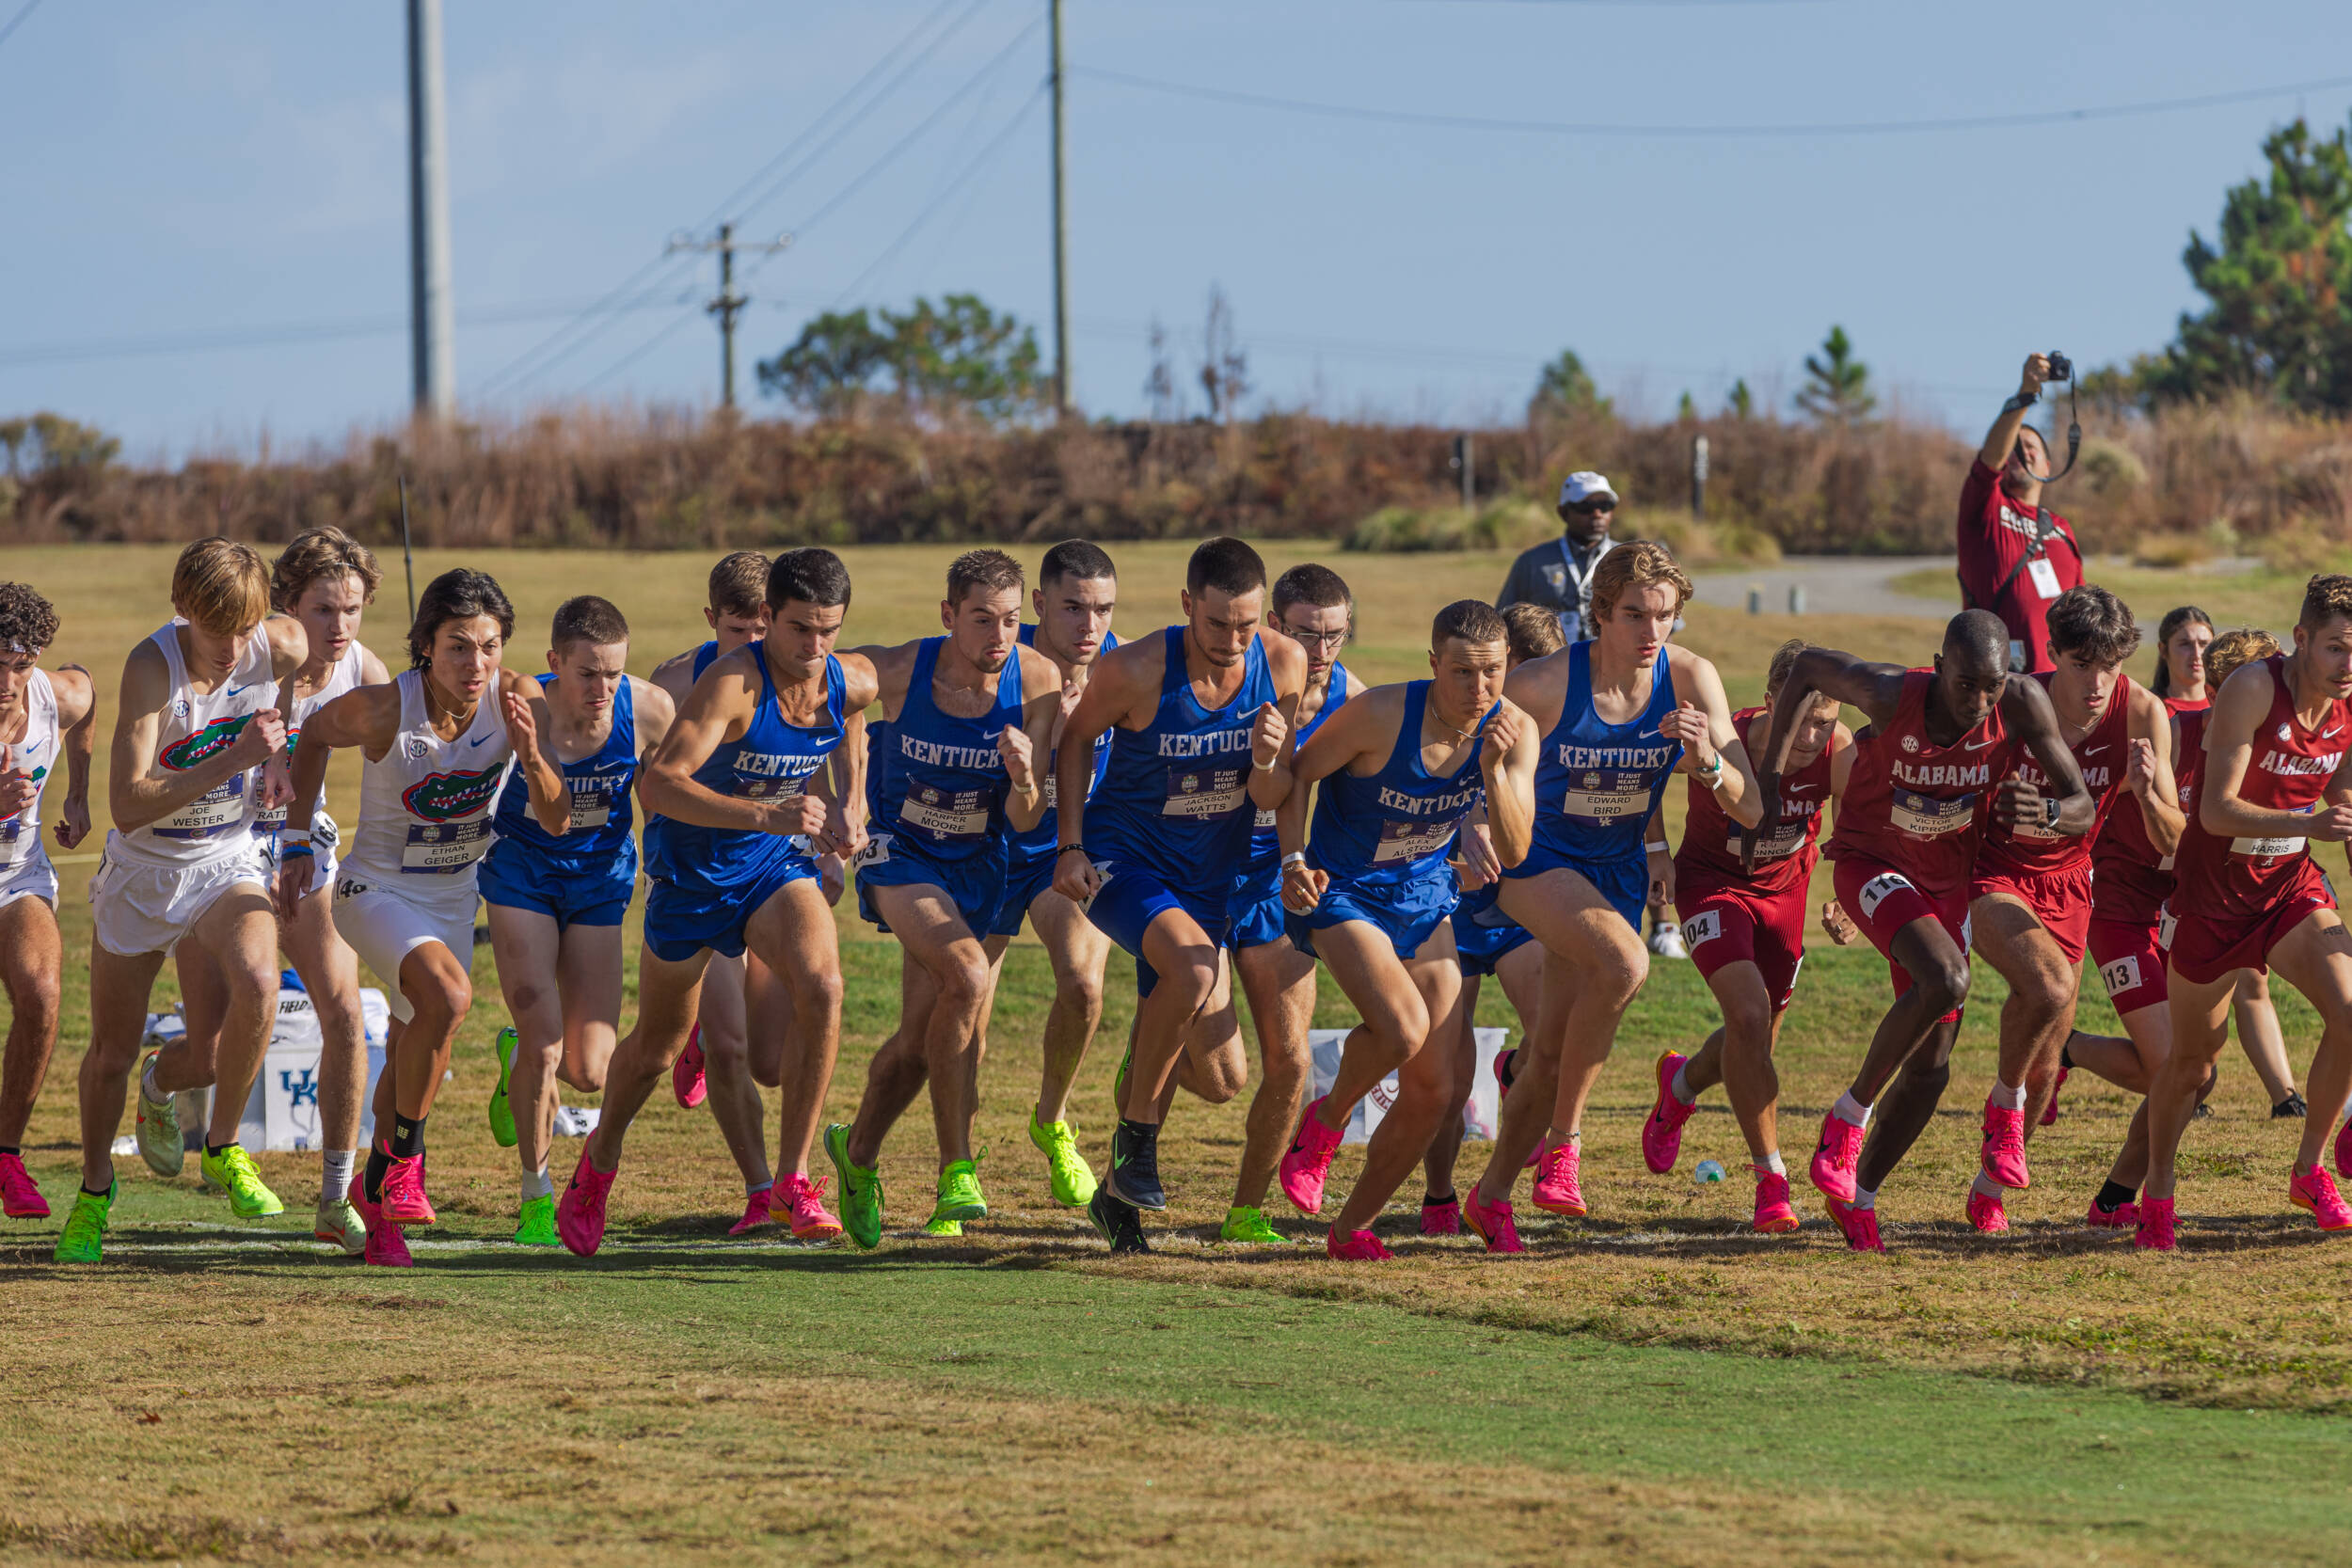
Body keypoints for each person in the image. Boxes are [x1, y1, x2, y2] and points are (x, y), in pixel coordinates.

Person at [555, 548, 861, 1258]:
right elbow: (655, 788)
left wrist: (853, 806)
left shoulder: (841, 674)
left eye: (828, 632)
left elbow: (854, 715)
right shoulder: (693, 685)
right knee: (658, 1049)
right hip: (691, 879)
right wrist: (767, 815)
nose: (810, 649)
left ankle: (790, 1178)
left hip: (772, 867)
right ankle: (599, 1158)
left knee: (822, 987)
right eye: (793, 631)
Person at [1756, 609, 2090, 1253]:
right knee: (1949, 978)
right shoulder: (1890, 691)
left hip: (1945, 883)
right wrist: (1771, 778)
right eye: (1967, 684)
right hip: (1872, 863)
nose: (1980, 700)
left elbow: (2082, 806)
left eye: (1992, 686)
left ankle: (1859, 1194)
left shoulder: (2019, 701)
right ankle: (1845, 1122)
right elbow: (1806, 667)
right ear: (1939, 669)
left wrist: (2048, 809)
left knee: (1932, 1069)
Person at [1457, 542, 1759, 1252]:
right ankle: (1566, 1144)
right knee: (1626, 964)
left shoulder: (1690, 679)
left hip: (1614, 870)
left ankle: (1491, 1195)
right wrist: (1468, 823)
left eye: (1664, 616)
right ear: (1599, 614)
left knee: (1553, 1052)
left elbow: (1750, 806)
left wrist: (1709, 763)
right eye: (1633, 615)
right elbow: (1466, 743)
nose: (1651, 631)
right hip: (1536, 856)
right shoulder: (1547, 682)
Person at [278, 568, 569, 1267]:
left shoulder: (518, 699)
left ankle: (374, 1212)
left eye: (491, 646)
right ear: (426, 648)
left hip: (450, 900)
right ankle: (409, 1158)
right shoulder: (384, 707)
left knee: (414, 1050)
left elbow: (557, 819)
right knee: (449, 997)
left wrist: (529, 752)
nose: (478, 665)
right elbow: (312, 735)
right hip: (372, 891)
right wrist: (293, 839)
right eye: (459, 647)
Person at [1052, 537, 1308, 1255]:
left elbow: (1272, 790)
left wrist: (1264, 761)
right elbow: (1073, 742)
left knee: (1225, 1078)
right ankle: (1137, 1143)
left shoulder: (1282, 664)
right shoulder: (1135, 669)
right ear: (1187, 604)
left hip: (1211, 877)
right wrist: (1069, 846)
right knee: (1193, 970)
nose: (1234, 640)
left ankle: (1113, 1200)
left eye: (1248, 624)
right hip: (1122, 861)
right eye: (1219, 623)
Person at [56, 539, 304, 1264]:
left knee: (261, 983)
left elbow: (285, 694)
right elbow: (127, 805)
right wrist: (239, 757)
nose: (233, 647)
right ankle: (96, 1189)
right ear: (183, 609)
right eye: (216, 627)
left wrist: (280, 758)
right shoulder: (150, 666)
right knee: (110, 1051)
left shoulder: (276, 643)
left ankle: (224, 1146)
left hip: (224, 859)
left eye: (245, 627)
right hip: (144, 872)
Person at [1274, 600, 1536, 1259]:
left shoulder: (1513, 729)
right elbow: (1299, 774)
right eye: (1464, 673)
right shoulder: (1381, 713)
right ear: (1433, 664)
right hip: (1343, 892)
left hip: (1424, 897)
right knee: (1401, 1026)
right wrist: (1293, 858)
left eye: (1494, 672)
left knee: (1435, 1089)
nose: (1480, 690)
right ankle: (1324, 1124)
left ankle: (1349, 1229)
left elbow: (1517, 846)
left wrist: (1493, 772)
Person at [827, 549, 1061, 1245]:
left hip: (981, 860)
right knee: (965, 974)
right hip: (899, 852)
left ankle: (857, 1153)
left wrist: (1024, 779)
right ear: (947, 614)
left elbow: (1026, 816)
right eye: (982, 618)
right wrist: (850, 795)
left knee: (922, 1039)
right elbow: (829, 689)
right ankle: (957, 1168)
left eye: (1013, 620)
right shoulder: (900, 669)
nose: (999, 636)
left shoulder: (1038, 680)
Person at [2137, 574, 2352, 1250]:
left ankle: (2308, 1168)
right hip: (2214, 894)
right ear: (2301, 640)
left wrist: (2319, 828)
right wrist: (2308, 821)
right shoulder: (2254, 688)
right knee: (2193, 1064)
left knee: (2350, 1013)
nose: (2350, 665)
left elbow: (2340, 815)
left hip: (2288, 887)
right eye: (2337, 649)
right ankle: (2159, 1191)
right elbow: (2214, 810)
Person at [1961, 586, 2174, 1234]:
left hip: (2070, 884)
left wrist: (2145, 794)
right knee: (2047, 986)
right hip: (1991, 873)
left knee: (2048, 1058)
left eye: (2110, 664)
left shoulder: (2142, 712)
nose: (2098, 681)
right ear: (2051, 653)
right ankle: (2002, 1110)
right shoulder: (2011, 701)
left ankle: (1987, 1187)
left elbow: (2173, 842)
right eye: (2082, 664)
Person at [479, 596, 675, 1246]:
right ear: (554, 662)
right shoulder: (523, 705)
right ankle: (536, 1197)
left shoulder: (648, 710)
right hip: (523, 871)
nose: (601, 688)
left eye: (613, 673)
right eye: (586, 673)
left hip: (598, 879)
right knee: (543, 1037)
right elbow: (551, 809)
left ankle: (519, 1066)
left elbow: (667, 797)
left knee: (590, 1068)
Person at [1644, 639, 1856, 1234]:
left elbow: (1860, 827)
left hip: (1785, 893)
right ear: (1769, 703)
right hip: (1711, 884)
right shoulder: (1719, 737)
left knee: (1755, 1039)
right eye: (1803, 721)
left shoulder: (1838, 750)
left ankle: (1679, 1086)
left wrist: (1844, 896)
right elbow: (1645, 783)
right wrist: (1657, 852)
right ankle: (1772, 1181)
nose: (1813, 736)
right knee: (1746, 1016)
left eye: (1825, 722)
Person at [2070, 627, 2276, 1228]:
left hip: (2183, 916)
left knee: (2195, 1075)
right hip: (2122, 913)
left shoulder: (2253, 752)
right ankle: (2067, 1049)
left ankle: (2112, 1200)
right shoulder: (2176, 737)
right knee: (2178, 1071)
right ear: (2226, 691)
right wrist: (2146, 794)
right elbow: (2176, 841)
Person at [251, 529, 391, 1254]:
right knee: (229, 1025)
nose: (339, 627)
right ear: (285, 606)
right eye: (323, 609)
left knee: (343, 1009)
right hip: (221, 848)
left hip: (308, 845)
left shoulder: (362, 667)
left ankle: (336, 1198)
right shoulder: (248, 658)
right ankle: (162, 1083)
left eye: (353, 608)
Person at [1216, 562, 1364, 1245]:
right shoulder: (1234, 679)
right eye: (1308, 633)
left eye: (1335, 634)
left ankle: (1247, 1208)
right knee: (1218, 1076)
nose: (1323, 649)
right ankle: (1151, 1060)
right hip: (1202, 876)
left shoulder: (1355, 703)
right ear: (1276, 626)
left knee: (1293, 1060)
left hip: (1283, 884)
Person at [1420, 604, 1561, 1236]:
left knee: (1554, 1040)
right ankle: (1439, 1192)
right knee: (1446, 1081)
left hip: (1513, 906)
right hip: (1451, 904)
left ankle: (1511, 1083)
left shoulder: (1547, 723)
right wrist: (1461, 833)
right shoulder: (1447, 711)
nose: (1500, 693)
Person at [991, 541, 1120, 1210]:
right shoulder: (997, 658)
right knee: (956, 1020)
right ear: (1039, 605)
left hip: (1066, 855)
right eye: (1073, 608)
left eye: (1101, 609)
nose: (1089, 625)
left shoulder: (1124, 669)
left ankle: (1053, 1119)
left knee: (1083, 984)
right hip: (985, 849)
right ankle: (956, 1172)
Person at [0, 584, 93, 1223]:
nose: (8, 680)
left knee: (41, 991)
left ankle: (6, 1155)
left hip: (16, 879)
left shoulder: (54, 694)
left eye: (21, 662)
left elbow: (86, 701)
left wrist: (79, 793)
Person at [1956, 354, 2085, 675]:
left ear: (2047, 466)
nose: (2020, 452)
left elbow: (2083, 613)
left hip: (2055, 687)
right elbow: (1988, 463)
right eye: (2012, 447)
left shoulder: (2061, 528)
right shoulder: (1986, 507)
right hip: (1996, 682)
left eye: (2030, 447)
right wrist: (2026, 394)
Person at [1496, 471, 1620, 643]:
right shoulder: (1532, 562)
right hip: (1549, 665)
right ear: (1563, 512)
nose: (1597, 514)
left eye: (1605, 505)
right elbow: (1502, 622)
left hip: (1613, 666)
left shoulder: (1628, 559)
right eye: (1585, 506)